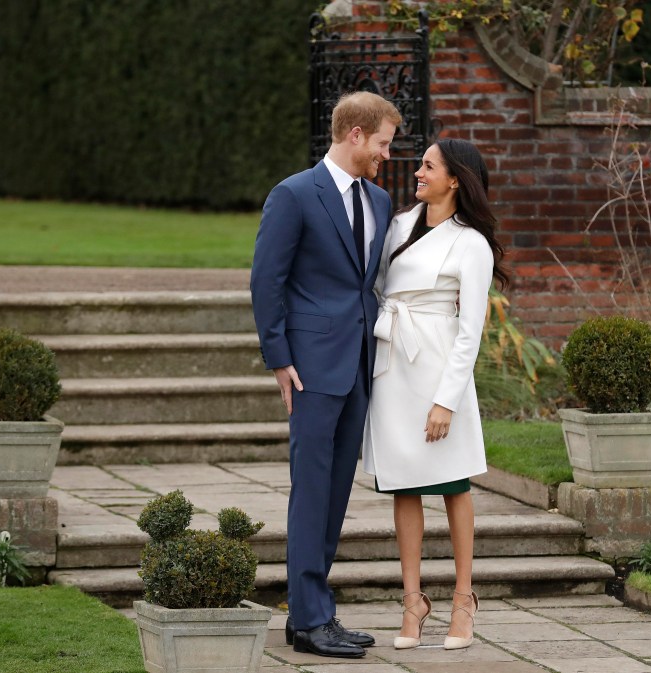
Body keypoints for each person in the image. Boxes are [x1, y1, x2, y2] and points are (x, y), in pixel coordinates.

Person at [250, 91, 402, 659]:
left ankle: (312, 613)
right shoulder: (293, 195)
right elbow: (267, 280)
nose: (387, 154)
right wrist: (279, 357)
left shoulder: (381, 201)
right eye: (384, 143)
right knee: (311, 488)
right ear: (356, 134)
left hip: (360, 363)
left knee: (337, 489)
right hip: (310, 368)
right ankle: (311, 618)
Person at [362, 138, 509, 650]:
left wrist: (446, 399)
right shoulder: (399, 224)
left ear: (455, 179)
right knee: (403, 484)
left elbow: (471, 330)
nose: (418, 172)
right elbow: (377, 287)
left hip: (439, 364)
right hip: (394, 364)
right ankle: (412, 601)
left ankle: (464, 600)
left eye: (428, 166)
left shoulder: (471, 243)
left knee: (452, 484)